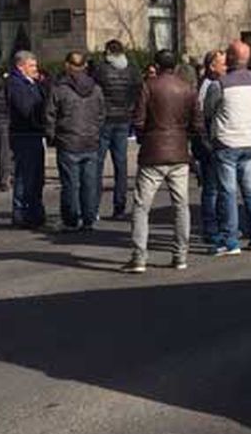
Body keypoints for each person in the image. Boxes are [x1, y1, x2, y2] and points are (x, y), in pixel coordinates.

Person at [123, 49, 202, 273]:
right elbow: (197, 123)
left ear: (156, 66)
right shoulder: (187, 88)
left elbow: (138, 120)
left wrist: (144, 136)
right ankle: (180, 255)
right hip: (178, 152)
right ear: (175, 66)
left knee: (141, 206)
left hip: (153, 151)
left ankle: (139, 257)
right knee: (181, 206)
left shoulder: (149, 86)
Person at [205, 40, 251, 255]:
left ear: (230, 59)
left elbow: (208, 110)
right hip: (249, 140)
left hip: (226, 141)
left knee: (228, 192)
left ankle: (230, 240)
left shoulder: (220, 84)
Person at [46, 50, 106, 232]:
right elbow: (102, 114)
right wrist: (95, 131)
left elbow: (50, 115)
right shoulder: (95, 89)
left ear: (67, 65)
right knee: (89, 182)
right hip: (90, 140)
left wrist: (52, 137)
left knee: (70, 183)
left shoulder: (59, 89)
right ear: (84, 66)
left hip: (68, 141)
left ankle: (71, 219)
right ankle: (89, 218)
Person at [90, 39, 139, 221]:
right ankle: (119, 206)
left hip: (104, 120)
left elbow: (93, 92)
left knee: (98, 163)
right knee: (121, 164)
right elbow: (137, 91)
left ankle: (93, 206)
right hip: (123, 119)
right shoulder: (132, 70)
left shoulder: (101, 70)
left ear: (108, 52)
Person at [7, 51, 48, 229]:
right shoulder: (16, 84)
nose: (35, 69)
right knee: (25, 175)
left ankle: (35, 211)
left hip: (35, 133)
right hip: (24, 134)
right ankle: (22, 212)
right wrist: (40, 116)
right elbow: (25, 108)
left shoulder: (33, 83)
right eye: (31, 66)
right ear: (20, 66)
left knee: (36, 175)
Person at [191, 50, 228, 249]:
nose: (226, 67)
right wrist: (208, 145)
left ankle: (220, 226)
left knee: (218, 188)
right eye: (222, 64)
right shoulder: (208, 86)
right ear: (212, 66)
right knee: (211, 190)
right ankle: (211, 229)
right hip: (209, 146)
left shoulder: (214, 84)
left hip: (212, 143)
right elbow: (203, 119)